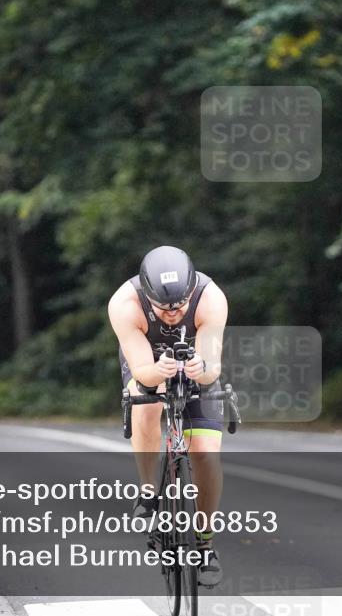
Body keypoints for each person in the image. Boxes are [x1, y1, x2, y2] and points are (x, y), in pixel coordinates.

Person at [107, 245, 228, 587]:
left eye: (181, 306)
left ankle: (204, 543)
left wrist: (201, 368)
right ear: (147, 297)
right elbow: (143, 373)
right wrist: (157, 372)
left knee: (205, 453)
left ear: (191, 291)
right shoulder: (124, 304)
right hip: (148, 361)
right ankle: (148, 490)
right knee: (146, 404)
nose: (174, 314)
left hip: (195, 362)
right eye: (164, 308)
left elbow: (212, 368)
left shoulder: (211, 298)